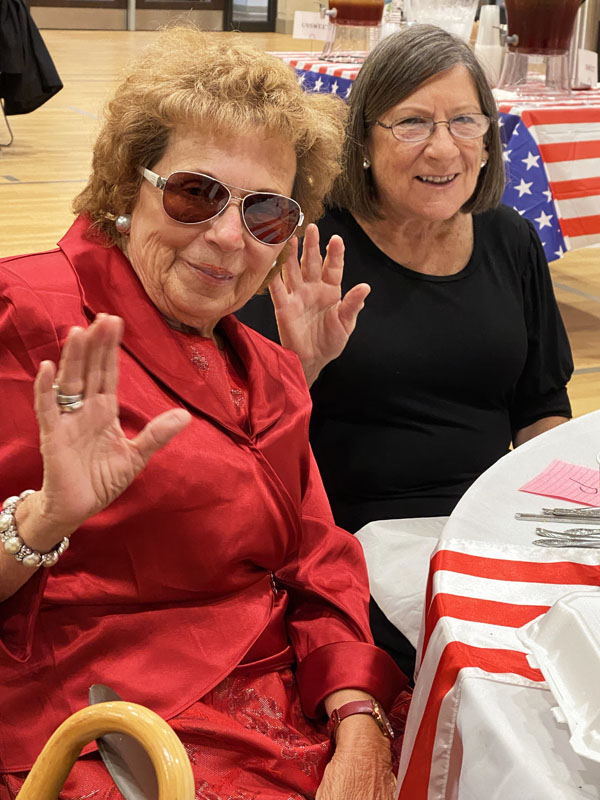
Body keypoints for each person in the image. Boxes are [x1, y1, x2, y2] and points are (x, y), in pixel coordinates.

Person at [0, 28, 409, 800]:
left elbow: (318, 561)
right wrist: (44, 521)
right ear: (128, 187)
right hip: (108, 732)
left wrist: (359, 717)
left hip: (288, 710)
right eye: (196, 193)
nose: (227, 237)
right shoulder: (26, 313)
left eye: (265, 213)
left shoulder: (270, 371)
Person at [237, 24, 574, 675]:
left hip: (489, 525)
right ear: (363, 140)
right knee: (487, 668)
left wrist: (564, 519)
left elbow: (541, 405)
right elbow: (245, 431)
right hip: (352, 540)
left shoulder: (510, 238)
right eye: (412, 122)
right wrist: (301, 367)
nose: (443, 147)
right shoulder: (313, 245)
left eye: (464, 121)